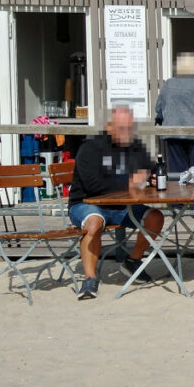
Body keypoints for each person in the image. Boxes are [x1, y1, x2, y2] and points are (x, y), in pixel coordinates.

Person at [68, 104, 165, 300]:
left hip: (122, 206)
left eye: (130, 128)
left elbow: (150, 168)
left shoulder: (134, 146)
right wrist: (129, 182)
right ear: (109, 127)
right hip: (86, 204)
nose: (127, 133)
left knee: (155, 217)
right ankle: (89, 278)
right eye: (122, 129)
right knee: (94, 222)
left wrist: (153, 176)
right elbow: (93, 186)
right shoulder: (91, 148)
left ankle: (132, 261)